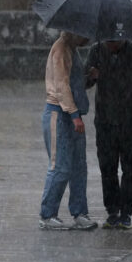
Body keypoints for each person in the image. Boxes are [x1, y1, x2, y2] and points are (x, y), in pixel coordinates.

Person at [85, 40, 132, 229]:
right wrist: (91, 77)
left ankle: (126, 212)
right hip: (105, 121)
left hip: (129, 121)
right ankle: (112, 210)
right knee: (107, 167)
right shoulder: (96, 51)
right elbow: (83, 82)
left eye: (116, 40)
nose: (113, 44)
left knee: (130, 167)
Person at [38, 31, 98, 231]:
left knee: (79, 167)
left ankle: (80, 212)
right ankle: (47, 215)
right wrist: (73, 114)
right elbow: (61, 86)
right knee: (60, 166)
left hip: (74, 115)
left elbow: (75, 84)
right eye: (85, 35)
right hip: (59, 114)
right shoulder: (61, 49)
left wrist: (89, 79)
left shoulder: (72, 49)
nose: (88, 39)